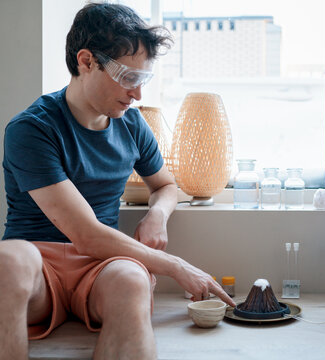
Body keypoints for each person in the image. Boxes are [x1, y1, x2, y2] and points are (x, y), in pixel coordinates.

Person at [0, 3, 235, 359]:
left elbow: (167, 186)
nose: (137, 94)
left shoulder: (132, 125)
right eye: (128, 78)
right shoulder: (31, 129)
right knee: (8, 261)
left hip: (100, 267)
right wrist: (178, 267)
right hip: (37, 261)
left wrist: (156, 215)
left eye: (143, 80)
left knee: (133, 279)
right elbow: (86, 234)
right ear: (86, 61)